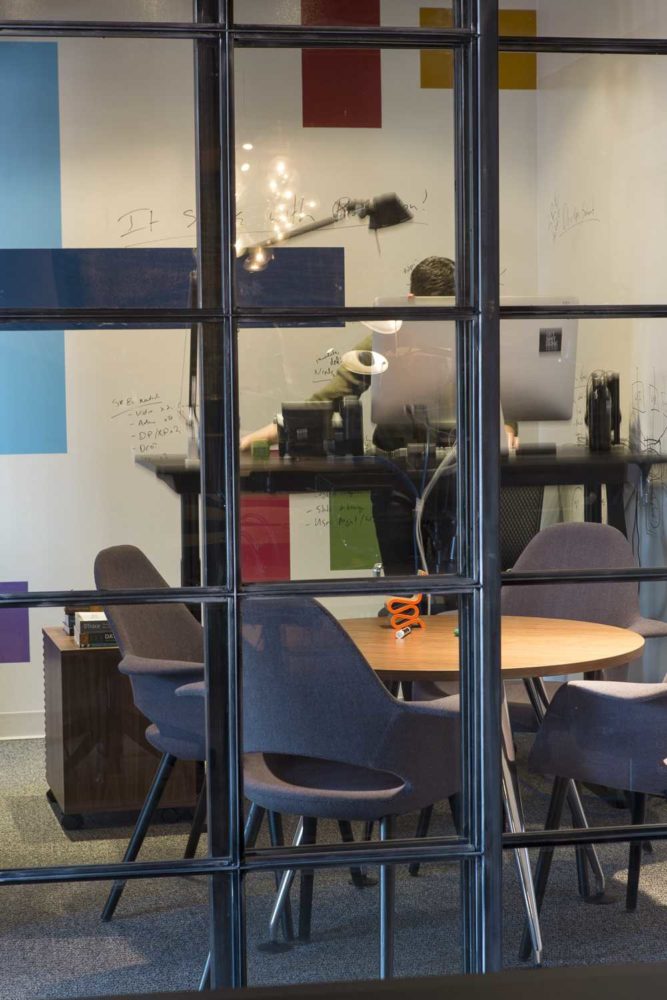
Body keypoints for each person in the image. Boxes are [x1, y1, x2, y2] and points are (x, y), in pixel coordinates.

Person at [241, 256, 515, 576]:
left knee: (458, 582)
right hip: (395, 476)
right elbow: (328, 400)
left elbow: (502, 390)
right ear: (411, 300)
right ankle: (407, 618)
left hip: (457, 472)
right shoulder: (384, 340)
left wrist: (506, 426)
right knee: (402, 579)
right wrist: (254, 438)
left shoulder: (472, 339)